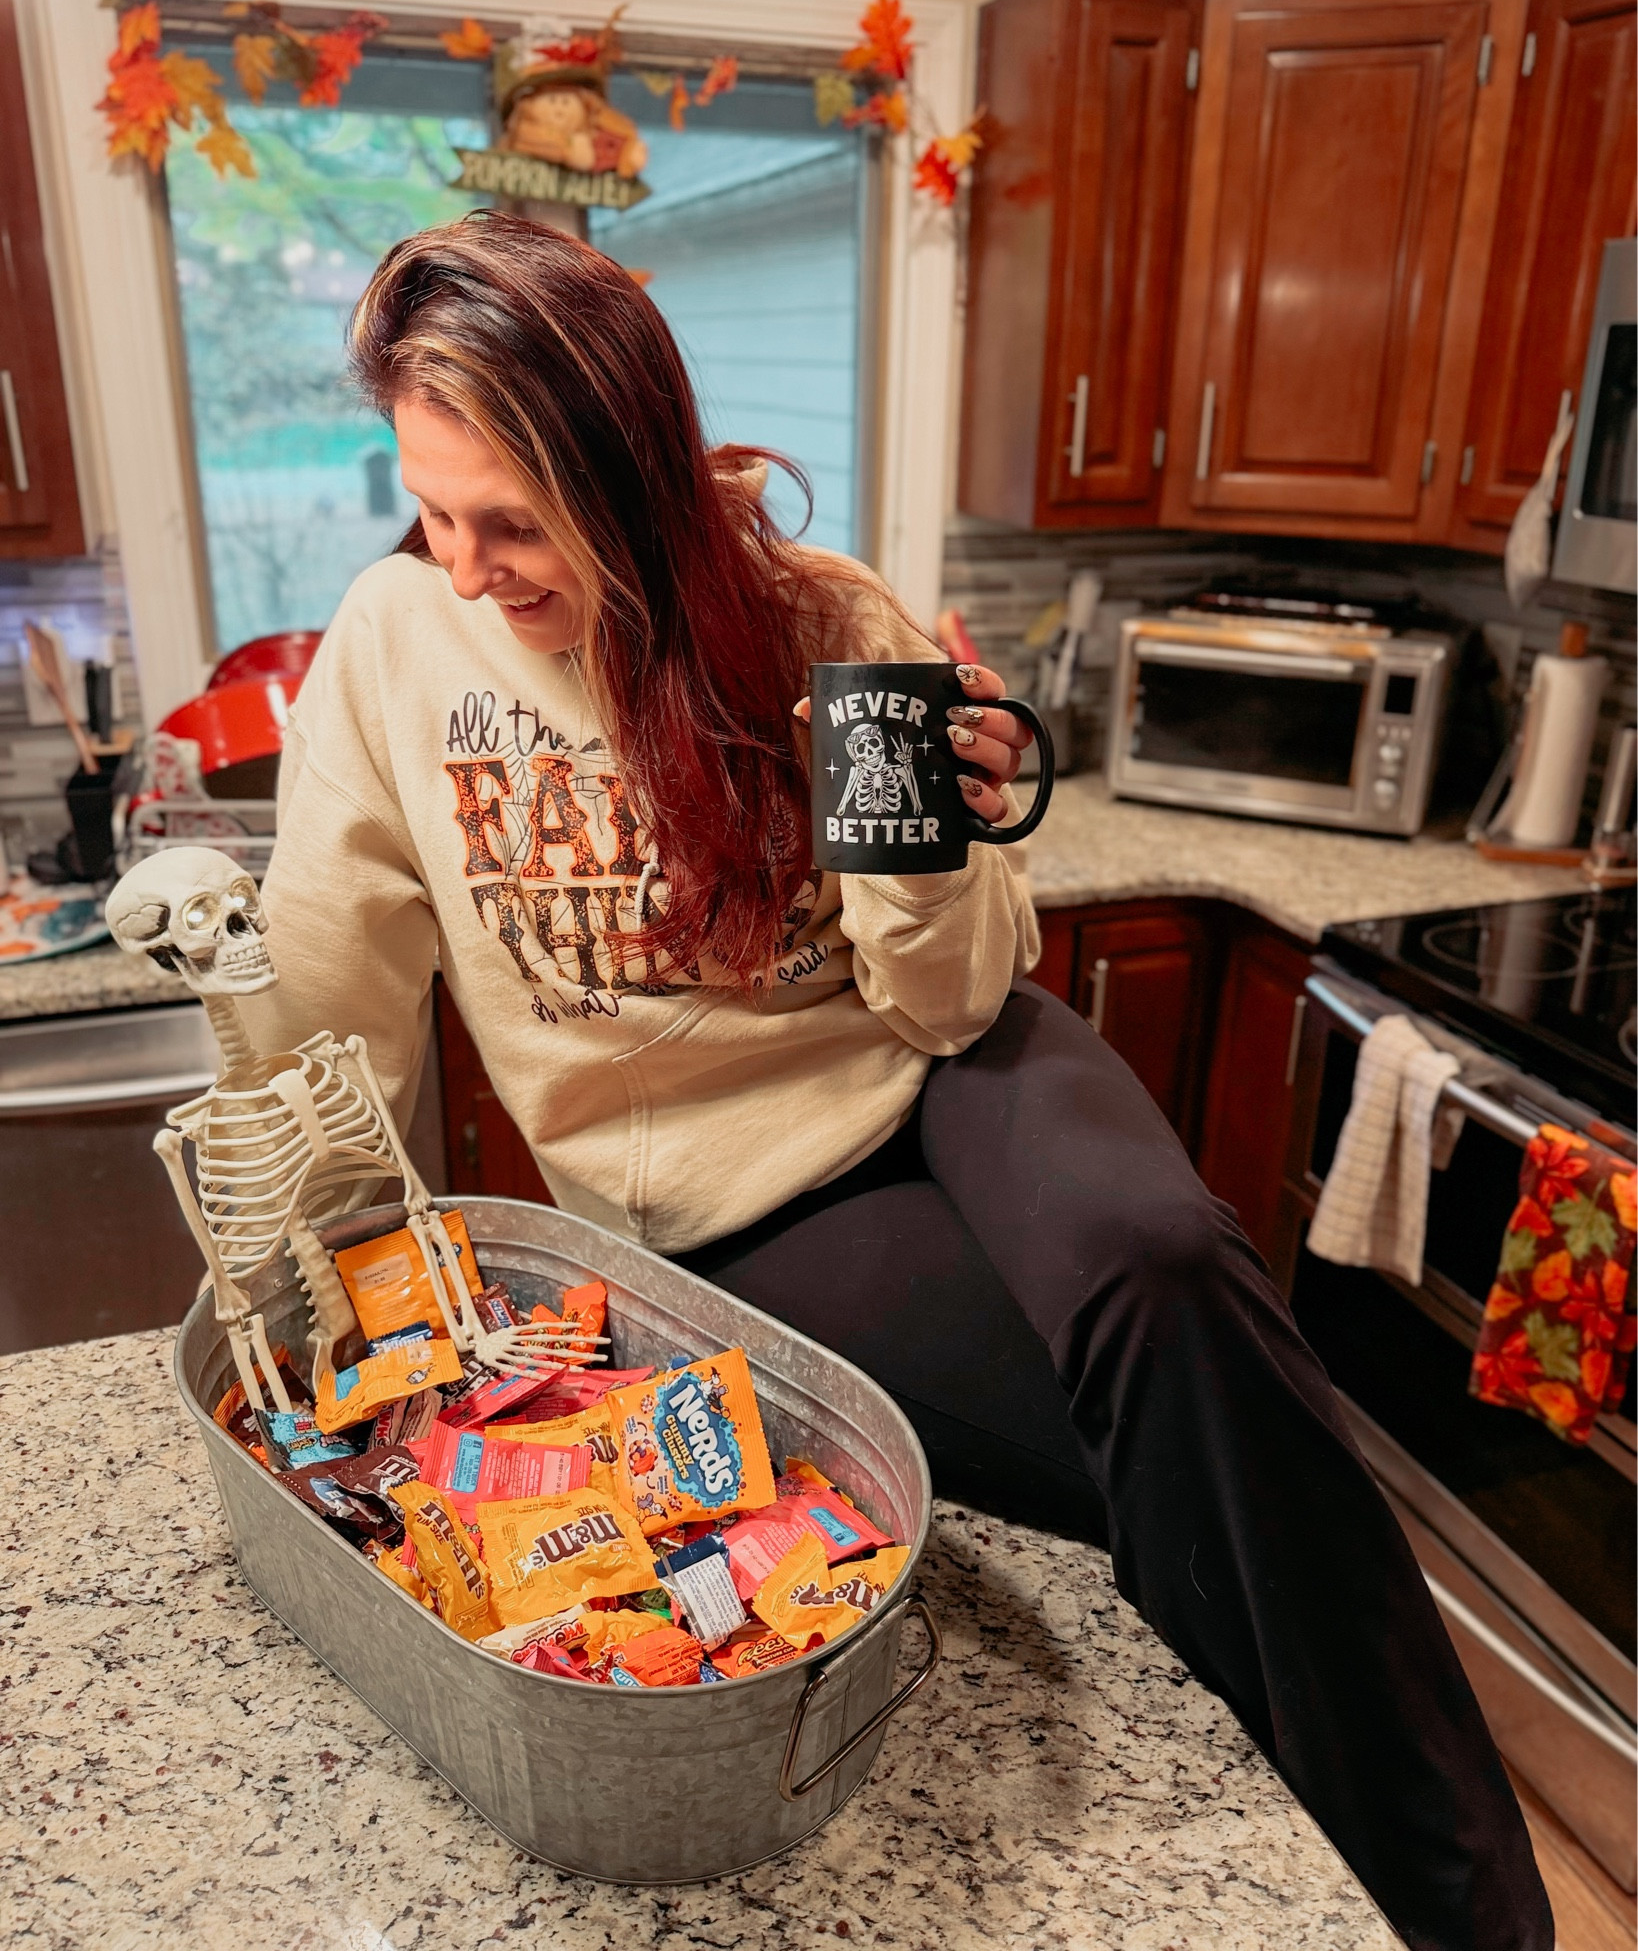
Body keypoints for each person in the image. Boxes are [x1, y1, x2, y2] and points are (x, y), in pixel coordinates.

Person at [243, 212, 1550, 1951]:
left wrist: (924, 810)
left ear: (628, 480)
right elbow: (332, 982)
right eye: (431, 511)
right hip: (722, 1199)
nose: (464, 564)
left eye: (512, 520)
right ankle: (1324, 1882)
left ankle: (1473, 1916)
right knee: (1149, 1460)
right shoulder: (394, 643)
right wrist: (303, 1270)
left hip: (949, 1067)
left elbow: (939, 997)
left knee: (1178, 1280)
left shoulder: (822, 618)